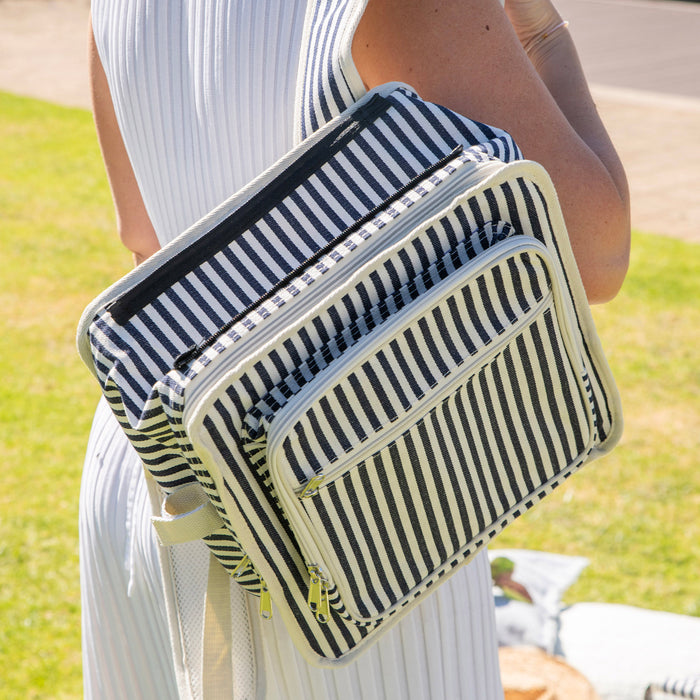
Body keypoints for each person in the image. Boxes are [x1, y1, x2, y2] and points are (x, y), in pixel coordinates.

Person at [81, 0, 630, 698]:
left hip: (154, 462)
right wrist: (541, 31)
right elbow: (595, 254)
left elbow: (144, 234)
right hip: (350, 507)